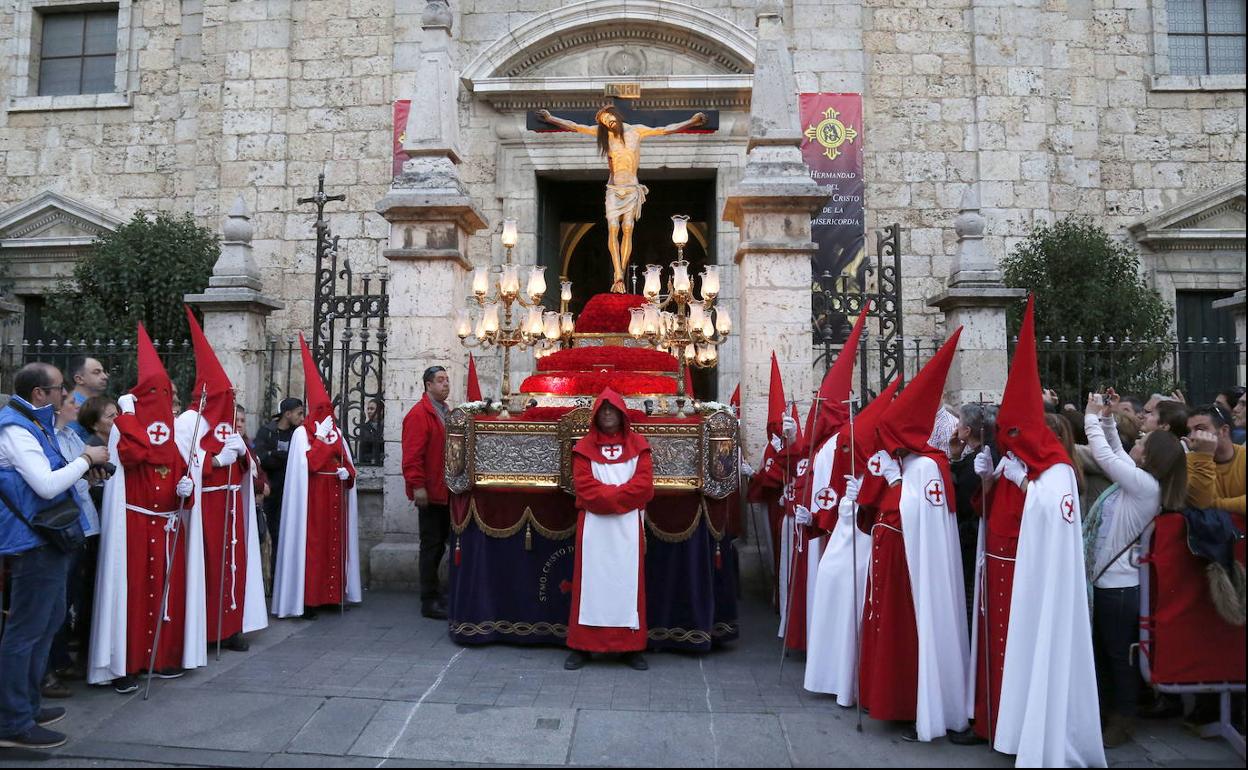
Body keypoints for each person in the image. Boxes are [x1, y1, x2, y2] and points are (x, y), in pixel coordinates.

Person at [952, 296, 1104, 766]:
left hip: (1027, 575)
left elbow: (1052, 518)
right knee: (996, 651)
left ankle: (1014, 726)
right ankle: (993, 721)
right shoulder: (1022, 464)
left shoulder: (1054, 471)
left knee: (1017, 652)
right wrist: (990, 478)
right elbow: (989, 508)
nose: (1006, 444)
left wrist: (1020, 479)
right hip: (997, 564)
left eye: (1012, 436)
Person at [857, 329, 970, 743]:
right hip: (907, 566)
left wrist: (895, 484)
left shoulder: (924, 469)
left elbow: (911, 517)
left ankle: (915, 706)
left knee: (911, 637)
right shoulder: (926, 466)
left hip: (911, 574)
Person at [88, 325, 206, 694]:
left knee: (168, 595)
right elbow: (134, 456)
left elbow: (180, 468)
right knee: (133, 593)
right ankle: (128, 663)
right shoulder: (128, 427)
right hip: (135, 526)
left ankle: (163, 656)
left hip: (168, 526)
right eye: (155, 392)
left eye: (166, 392)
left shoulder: (172, 433)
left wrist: (187, 487)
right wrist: (129, 416)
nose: (163, 399)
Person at [0, 363, 110, 749]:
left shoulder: (33, 423)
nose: (66, 395)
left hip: (49, 538)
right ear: (38, 395)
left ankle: (27, 707)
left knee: (45, 625)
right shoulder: (15, 428)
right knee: (26, 631)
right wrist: (86, 460)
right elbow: (45, 486)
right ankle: (12, 721)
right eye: (60, 389)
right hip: (33, 542)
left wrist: (82, 470)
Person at [1082, 388, 1187, 748]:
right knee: (1107, 653)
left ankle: (1122, 718)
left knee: (1117, 656)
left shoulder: (1143, 486)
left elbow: (1105, 457)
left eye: (1143, 443)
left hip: (1120, 587)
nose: (1137, 444)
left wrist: (1091, 416)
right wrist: (1108, 418)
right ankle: (1110, 712)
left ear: (1150, 456)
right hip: (1111, 582)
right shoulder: (1142, 480)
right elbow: (1115, 453)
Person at [536, 104, 707, 291]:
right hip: (613, 189)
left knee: (627, 228)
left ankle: (621, 274)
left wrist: (692, 121)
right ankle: (618, 274)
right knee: (613, 228)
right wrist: (551, 119)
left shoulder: (636, 131)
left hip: (631, 188)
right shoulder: (606, 136)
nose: (609, 123)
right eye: (605, 123)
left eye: (609, 118)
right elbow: (575, 126)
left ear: (616, 115)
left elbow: (664, 130)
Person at [803, 377, 900, 704]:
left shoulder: (883, 465)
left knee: (846, 591)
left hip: (862, 547)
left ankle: (849, 682)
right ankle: (830, 675)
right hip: (842, 541)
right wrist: (819, 519)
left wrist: (864, 498)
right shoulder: (845, 456)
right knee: (830, 582)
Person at [175, 309, 267, 653]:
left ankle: (231, 628)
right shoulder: (188, 422)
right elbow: (186, 463)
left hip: (231, 506)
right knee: (210, 568)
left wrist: (242, 456)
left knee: (233, 566)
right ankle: (207, 630)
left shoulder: (226, 425)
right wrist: (216, 460)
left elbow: (249, 467)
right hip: (207, 507)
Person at [564, 390, 655, 671]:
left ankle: (630, 646)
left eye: (611, 410)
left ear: (621, 414)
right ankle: (583, 645)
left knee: (627, 585)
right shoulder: (583, 448)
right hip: (595, 526)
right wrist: (619, 499)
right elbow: (585, 487)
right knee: (590, 586)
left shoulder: (639, 446)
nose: (607, 415)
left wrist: (613, 500)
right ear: (595, 415)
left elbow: (644, 485)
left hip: (627, 526)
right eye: (602, 411)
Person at [271, 335, 360, 619]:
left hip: (335, 498)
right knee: (314, 548)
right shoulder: (302, 434)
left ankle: (332, 595)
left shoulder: (335, 432)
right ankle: (310, 599)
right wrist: (321, 442)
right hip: (312, 502)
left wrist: (347, 474)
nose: (326, 416)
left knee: (334, 547)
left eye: (329, 411)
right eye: (321, 411)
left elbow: (347, 462)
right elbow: (308, 466)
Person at [45, 395, 103, 693]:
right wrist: (86, 463)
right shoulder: (48, 438)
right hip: (63, 527)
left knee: (69, 596)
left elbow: (83, 477)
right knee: (55, 603)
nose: (76, 405)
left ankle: (60, 660)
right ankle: (48, 669)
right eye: (69, 400)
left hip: (84, 525)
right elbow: (54, 481)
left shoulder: (70, 436)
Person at [402, 367, 451, 620]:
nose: (446, 384)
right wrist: (417, 485)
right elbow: (412, 455)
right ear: (428, 385)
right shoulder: (419, 414)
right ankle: (428, 600)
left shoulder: (446, 412)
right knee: (431, 546)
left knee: (442, 546)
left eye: (447, 380)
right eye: (440, 381)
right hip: (430, 493)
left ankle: (439, 592)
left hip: (446, 492)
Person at [254, 397, 304, 576]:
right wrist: (280, 456)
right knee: (272, 535)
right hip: (271, 493)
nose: (301, 417)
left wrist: (276, 456)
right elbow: (261, 458)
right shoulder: (267, 431)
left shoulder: (298, 433)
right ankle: (271, 578)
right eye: (298, 413)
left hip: (289, 491)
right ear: (287, 414)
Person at [66, 356, 109, 441]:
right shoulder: (72, 406)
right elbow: (68, 443)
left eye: (103, 372)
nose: (105, 376)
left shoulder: (93, 403)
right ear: (79, 379)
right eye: (97, 372)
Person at [359, 399, 384, 465]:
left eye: (372, 409)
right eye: (368, 409)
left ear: (381, 411)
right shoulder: (365, 427)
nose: (369, 411)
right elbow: (363, 452)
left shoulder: (387, 427)